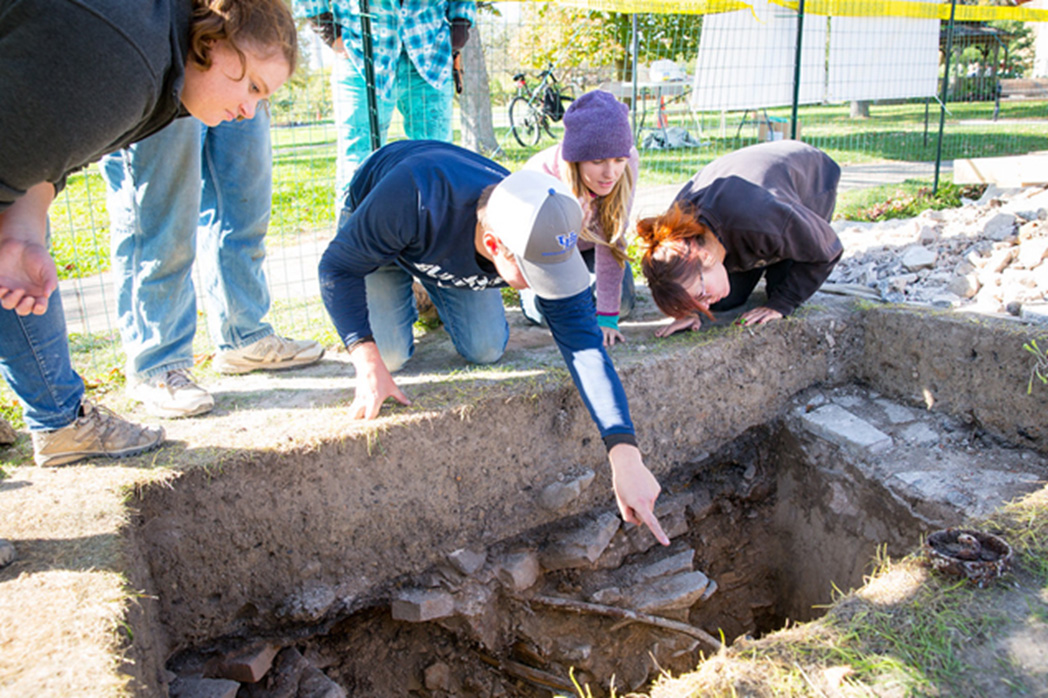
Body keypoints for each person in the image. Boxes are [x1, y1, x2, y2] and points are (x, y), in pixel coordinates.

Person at [318, 140, 669, 545]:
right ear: (494, 246)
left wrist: (624, 452)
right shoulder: (412, 194)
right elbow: (337, 267)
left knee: (485, 347)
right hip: (385, 227)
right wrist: (366, 360)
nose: (547, 284)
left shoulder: (542, 223)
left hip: (448, 248)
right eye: (536, 270)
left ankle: (432, 287)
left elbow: (584, 346)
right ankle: (409, 281)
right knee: (391, 355)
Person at [0, 0, 297, 465]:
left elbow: (39, 156)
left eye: (263, 99)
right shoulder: (127, 67)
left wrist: (22, 233)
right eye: (253, 87)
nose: (247, 110)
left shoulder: (167, 76)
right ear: (211, 42)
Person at [101, 111, 324, 419]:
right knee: (162, 224)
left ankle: (243, 336)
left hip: (238, 67)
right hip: (167, 78)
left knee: (244, 215)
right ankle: (156, 363)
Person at [636, 140, 843, 338]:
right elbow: (680, 279)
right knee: (725, 301)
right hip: (746, 211)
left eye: (701, 296)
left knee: (781, 290)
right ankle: (764, 258)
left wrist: (781, 303)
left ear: (705, 257)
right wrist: (689, 309)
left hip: (812, 177)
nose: (704, 304)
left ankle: (775, 258)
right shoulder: (675, 230)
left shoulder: (762, 220)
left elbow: (829, 249)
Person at [294, 0, 476, 207]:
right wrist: (328, 31)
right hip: (361, 53)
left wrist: (460, 25)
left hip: (431, 52)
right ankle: (351, 234)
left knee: (437, 161)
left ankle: (435, 235)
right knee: (357, 162)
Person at [520, 90, 639, 347]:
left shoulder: (627, 165)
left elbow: (613, 236)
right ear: (574, 160)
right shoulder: (542, 173)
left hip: (594, 247)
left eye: (618, 159)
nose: (611, 173)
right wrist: (571, 228)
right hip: (550, 255)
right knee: (545, 313)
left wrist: (608, 317)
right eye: (597, 161)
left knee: (623, 306)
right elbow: (536, 250)